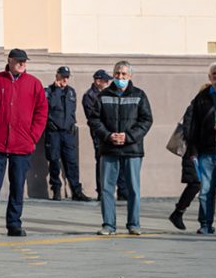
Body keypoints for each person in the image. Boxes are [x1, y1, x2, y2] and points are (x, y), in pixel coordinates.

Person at [0, 49, 48, 238]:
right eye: (19, 60)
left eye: (25, 61)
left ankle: (14, 224)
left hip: (22, 144)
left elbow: (41, 112)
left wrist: (33, 137)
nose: (23, 64)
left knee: (17, 186)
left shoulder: (34, 84)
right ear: (10, 60)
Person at [89, 60, 153, 236]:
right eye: (117, 73)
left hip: (132, 149)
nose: (120, 77)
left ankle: (134, 224)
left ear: (130, 76)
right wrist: (108, 135)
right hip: (109, 149)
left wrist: (129, 137)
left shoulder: (139, 95)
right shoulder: (102, 96)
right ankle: (109, 225)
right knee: (107, 189)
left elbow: (146, 120)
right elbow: (94, 120)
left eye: (124, 74)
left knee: (133, 188)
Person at [186, 61, 216, 235]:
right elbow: (191, 126)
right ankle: (206, 224)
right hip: (206, 152)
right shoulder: (200, 99)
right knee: (206, 191)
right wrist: (192, 151)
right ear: (209, 77)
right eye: (214, 74)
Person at [44, 66, 94, 202]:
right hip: (54, 132)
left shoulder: (71, 92)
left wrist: (72, 124)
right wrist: (57, 89)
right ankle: (56, 189)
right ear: (57, 76)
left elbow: (72, 111)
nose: (65, 79)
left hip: (67, 132)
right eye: (63, 76)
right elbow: (48, 108)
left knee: (71, 162)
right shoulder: (48, 91)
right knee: (54, 160)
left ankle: (76, 191)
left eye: (67, 77)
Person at [82, 69, 128, 201]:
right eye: (105, 81)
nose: (108, 83)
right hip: (100, 134)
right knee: (102, 162)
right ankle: (102, 192)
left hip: (113, 132)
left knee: (119, 159)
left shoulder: (109, 94)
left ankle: (122, 190)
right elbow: (94, 118)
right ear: (98, 81)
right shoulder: (90, 96)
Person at [169, 101, 202, 231]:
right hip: (193, 153)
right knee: (196, 183)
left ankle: (205, 222)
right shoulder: (194, 108)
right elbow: (188, 132)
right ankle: (178, 212)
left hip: (209, 153)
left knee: (206, 186)